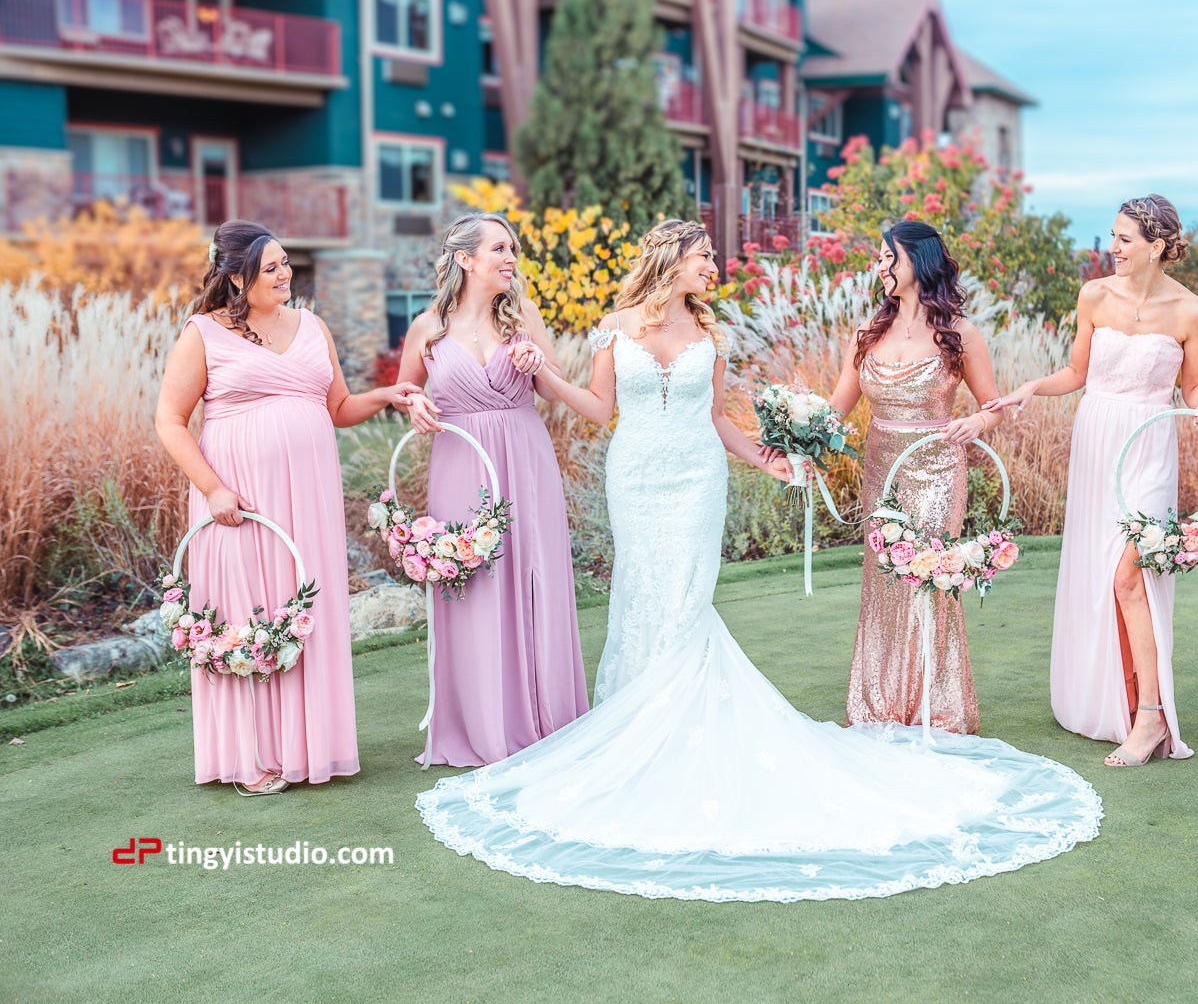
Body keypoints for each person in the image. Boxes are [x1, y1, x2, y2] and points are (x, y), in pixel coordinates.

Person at [417, 220, 1103, 901]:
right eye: (704, 256)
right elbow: (599, 409)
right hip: (635, 479)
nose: (714, 265)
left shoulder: (710, 337)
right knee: (641, 597)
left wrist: (767, 459)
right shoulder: (615, 325)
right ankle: (640, 733)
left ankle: (675, 734)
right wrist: (546, 383)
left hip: (696, 480)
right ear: (671, 260)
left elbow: (716, 420)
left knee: (686, 601)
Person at [155, 219, 418, 794]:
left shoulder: (312, 325)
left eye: (284, 263)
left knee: (303, 607)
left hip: (310, 494)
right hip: (239, 495)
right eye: (270, 266)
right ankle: (252, 757)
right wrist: (214, 487)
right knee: (248, 606)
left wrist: (385, 395)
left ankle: (311, 746)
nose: (285, 273)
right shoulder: (203, 333)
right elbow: (169, 422)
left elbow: (338, 406)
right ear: (237, 277)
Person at [986, 195, 1198, 767]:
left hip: (1150, 446)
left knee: (1130, 577)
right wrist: (1029, 389)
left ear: (1158, 247)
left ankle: (1151, 720)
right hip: (1096, 443)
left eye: (1124, 240)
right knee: (1102, 574)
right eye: (1112, 237)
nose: (1111, 249)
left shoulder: (1192, 311)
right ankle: (1110, 699)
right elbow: (1076, 372)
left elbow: (1191, 389)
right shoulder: (1094, 295)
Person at [396, 213, 589, 766]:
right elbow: (407, 391)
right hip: (459, 463)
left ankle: (544, 717)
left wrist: (536, 366)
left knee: (535, 577)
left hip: (525, 461)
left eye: (514, 249)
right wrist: (414, 406)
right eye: (500, 249)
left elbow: (554, 392)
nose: (511, 258)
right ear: (465, 259)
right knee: (473, 582)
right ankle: (479, 726)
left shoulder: (522, 316)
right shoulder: (427, 327)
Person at [825, 220, 1001, 734]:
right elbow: (836, 409)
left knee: (926, 576)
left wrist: (975, 422)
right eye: (879, 259)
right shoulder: (868, 334)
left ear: (918, 262)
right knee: (882, 581)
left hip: (938, 469)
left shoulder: (960, 333)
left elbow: (993, 406)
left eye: (888, 258)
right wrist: (801, 433)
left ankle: (936, 706)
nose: (880, 267)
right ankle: (880, 704)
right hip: (882, 472)